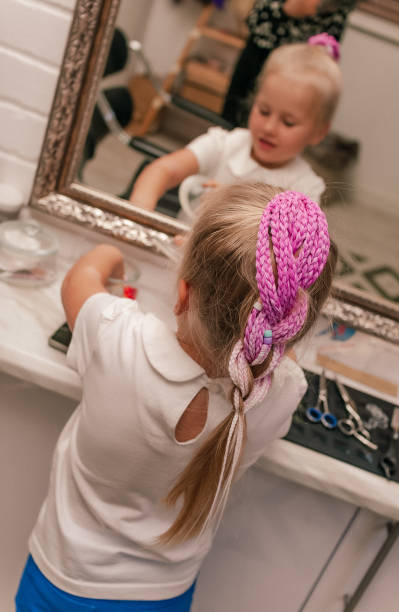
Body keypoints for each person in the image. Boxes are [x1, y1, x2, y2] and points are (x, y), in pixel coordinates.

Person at [15, 183, 337, 611]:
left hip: (61, 582)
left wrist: (113, 253)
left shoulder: (120, 340)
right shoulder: (280, 395)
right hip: (163, 598)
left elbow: (84, 276)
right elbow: (277, 341)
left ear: (183, 293)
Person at [130, 34, 342, 210]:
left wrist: (231, 205)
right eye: (264, 111)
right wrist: (139, 215)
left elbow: (289, 251)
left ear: (318, 133)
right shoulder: (225, 144)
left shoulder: (305, 190)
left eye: (288, 122)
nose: (269, 128)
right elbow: (162, 170)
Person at [222, 0, 357, 126]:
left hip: (300, 72)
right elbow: (255, 19)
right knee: (233, 116)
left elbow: (325, 54)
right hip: (260, 52)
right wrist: (288, 10)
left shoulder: (337, 14)